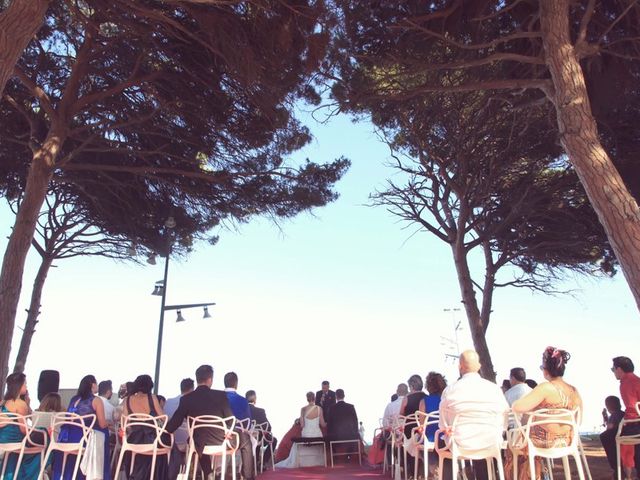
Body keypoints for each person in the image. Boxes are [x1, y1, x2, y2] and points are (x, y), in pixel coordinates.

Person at [507, 346, 582, 480]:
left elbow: (517, 407)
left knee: (514, 447)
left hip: (544, 442)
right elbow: (579, 419)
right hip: (568, 441)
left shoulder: (545, 388)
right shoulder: (574, 391)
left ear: (546, 369)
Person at [164, 365, 251, 480]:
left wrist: (163, 430)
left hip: (198, 442)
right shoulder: (221, 396)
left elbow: (175, 423)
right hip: (222, 441)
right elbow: (231, 419)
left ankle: (209, 473)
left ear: (197, 379)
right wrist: (230, 431)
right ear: (210, 379)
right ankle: (247, 477)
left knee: (198, 438)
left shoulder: (186, 399)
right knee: (246, 441)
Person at [439, 350, 508, 480]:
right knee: (482, 437)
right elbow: (504, 417)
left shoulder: (450, 391)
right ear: (479, 366)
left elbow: (444, 425)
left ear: (460, 367)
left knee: (443, 440)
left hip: (461, 443)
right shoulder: (494, 389)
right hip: (491, 441)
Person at [52, 374, 110, 480]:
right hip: (83, 439)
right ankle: (99, 473)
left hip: (66, 438)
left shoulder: (74, 399)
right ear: (92, 385)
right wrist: (110, 423)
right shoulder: (96, 400)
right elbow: (102, 423)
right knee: (104, 432)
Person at [0, 373, 47, 479]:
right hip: (15, 441)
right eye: (25, 383)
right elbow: (23, 430)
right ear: (19, 385)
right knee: (45, 438)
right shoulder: (20, 404)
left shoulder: (3, 402)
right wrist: (40, 431)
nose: (26, 386)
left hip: (3, 440)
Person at [121, 374, 168, 479]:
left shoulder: (127, 400)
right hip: (151, 439)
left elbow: (124, 422)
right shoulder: (152, 398)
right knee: (170, 447)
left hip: (134, 440)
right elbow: (163, 417)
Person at [276, 391, 326, 468]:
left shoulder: (303, 409)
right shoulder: (319, 409)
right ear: (315, 398)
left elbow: (302, 425)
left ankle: (301, 461)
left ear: (307, 399)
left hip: (307, 434)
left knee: (297, 443)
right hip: (317, 434)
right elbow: (323, 424)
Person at [612, 356, 640, 479]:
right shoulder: (637, 380)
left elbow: (632, 409)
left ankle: (622, 474)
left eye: (613, 369)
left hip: (636, 423)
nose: (613, 372)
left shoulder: (625, 384)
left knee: (609, 436)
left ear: (619, 369)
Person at [165, 378, 194, 480]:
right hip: (186, 443)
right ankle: (191, 473)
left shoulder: (168, 402)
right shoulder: (192, 403)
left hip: (169, 442)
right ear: (192, 389)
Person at [246, 390, 277, 468]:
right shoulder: (260, 411)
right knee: (273, 440)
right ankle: (262, 463)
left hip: (245, 438)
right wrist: (263, 431)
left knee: (256, 438)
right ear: (255, 399)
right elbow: (269, 427)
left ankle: (254, 463)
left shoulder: (243, 411)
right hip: (259, 438)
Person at [600, 395, 625, 472]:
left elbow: (609, 428)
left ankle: (616, 468)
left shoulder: (614, 415)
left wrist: (605, 418)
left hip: (618, 439)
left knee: (604, 436)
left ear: (608, 407)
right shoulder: (623, 413)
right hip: (626, 435)